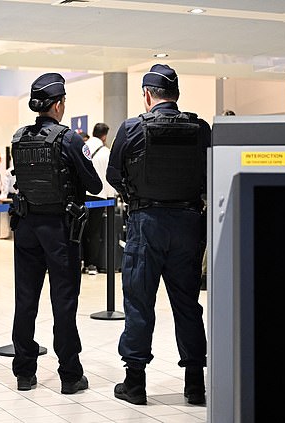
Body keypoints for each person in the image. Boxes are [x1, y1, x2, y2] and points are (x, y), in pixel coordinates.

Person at [107, 64, 210, 405]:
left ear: (148, 95)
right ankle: (195, 385)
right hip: (188, 223)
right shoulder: (200, 129)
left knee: (139, 303)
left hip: (146, 222)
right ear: (176, 95)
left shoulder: (133, 127)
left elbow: (113, 174)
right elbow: (211, 173)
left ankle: (135, 384)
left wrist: (136, 194)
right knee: (187, 305)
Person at [9, 72, 102, 394]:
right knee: (64, 303)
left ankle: (24, 372)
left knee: (25, 300)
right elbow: (94, 184)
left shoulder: (19, 137)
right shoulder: (70, 139)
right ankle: (70, 375)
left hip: (25, 228)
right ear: (59, 104)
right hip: (61, 232)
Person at [81, 122, 115, 275]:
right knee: (94, 232)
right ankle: (91, 264)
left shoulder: (83, 147)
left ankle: (78, 260)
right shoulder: (106, 153)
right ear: (105, 135)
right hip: (99, 197)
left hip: (82, 195)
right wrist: (111, 198)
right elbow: (109, 178)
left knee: (79, 229)